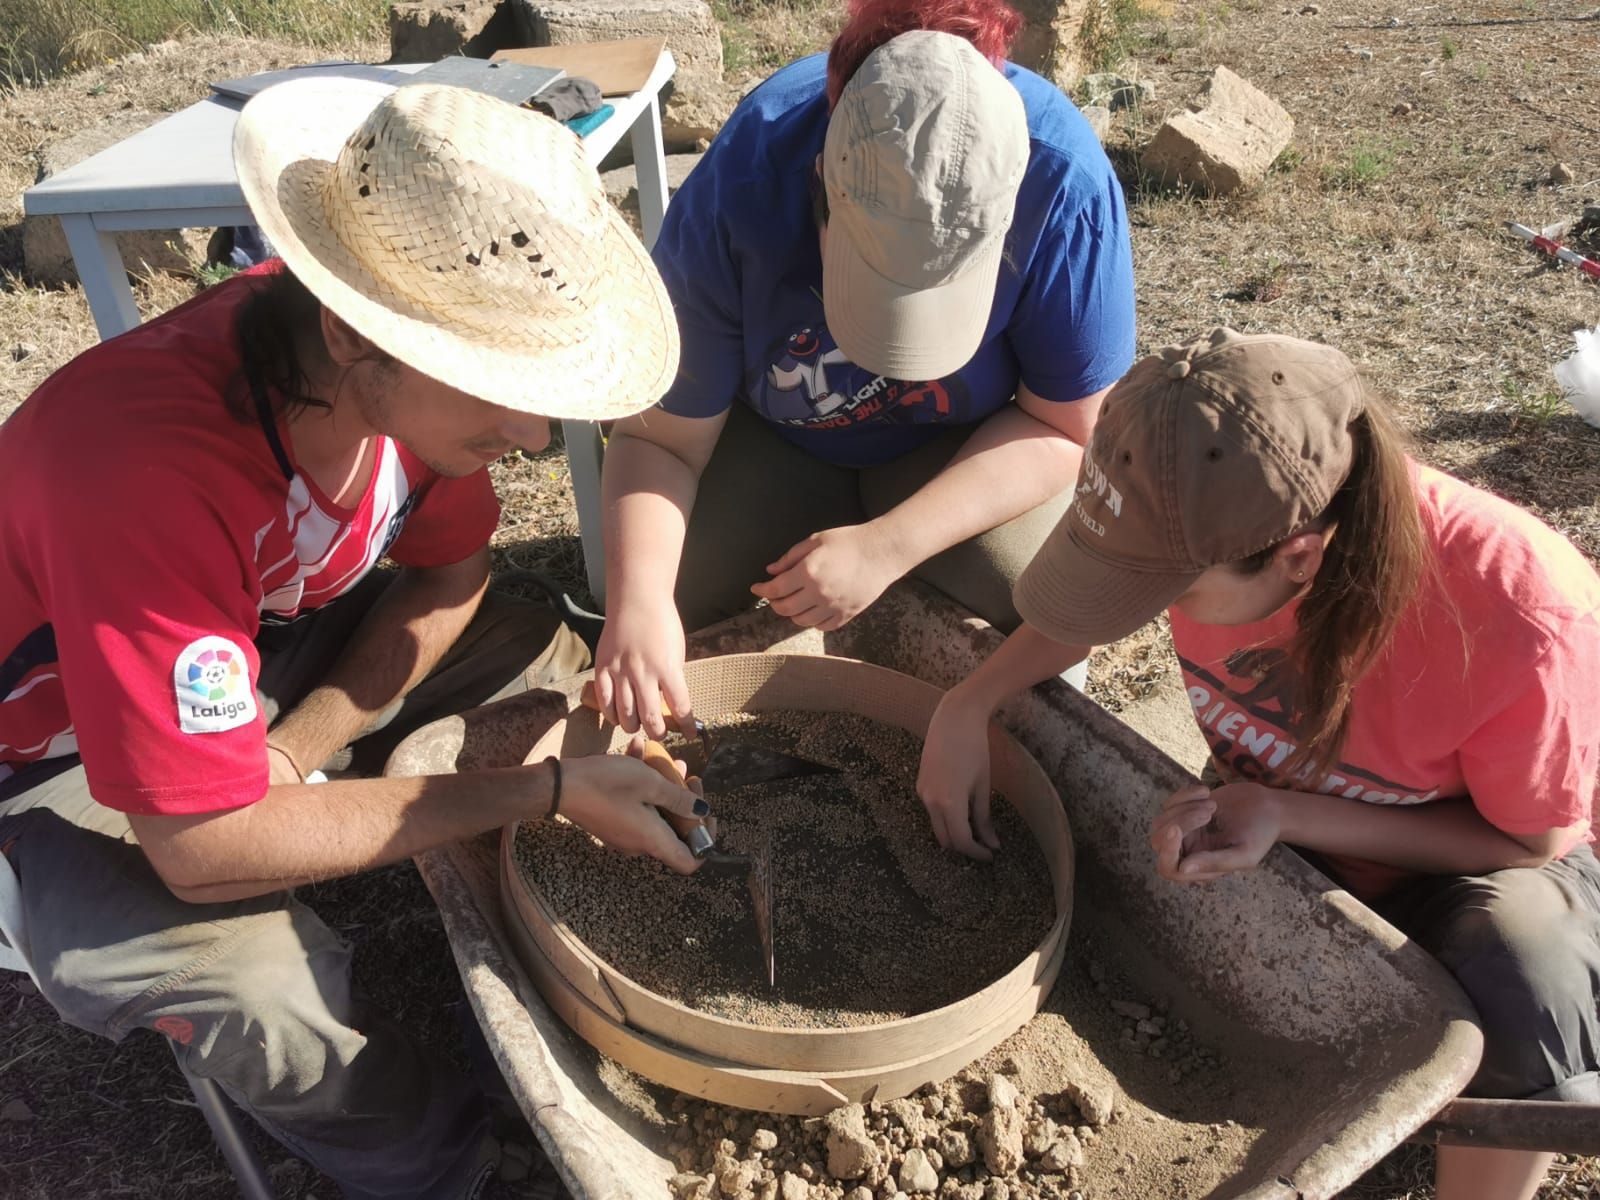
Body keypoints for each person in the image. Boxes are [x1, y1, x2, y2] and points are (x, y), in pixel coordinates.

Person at [0, 78, 706, 1199]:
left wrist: (302, 741)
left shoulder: (381, 385)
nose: (531, 435)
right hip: (50, 760)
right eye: (499, 390)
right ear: (347, 328)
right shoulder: (140, 471)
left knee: (542, 654)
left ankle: (464, 852)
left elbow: (453, 572)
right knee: (268, 991)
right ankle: (452, 1166)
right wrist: (547, 794)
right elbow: (199, 852)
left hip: (240, 653)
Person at [917, 328, 1600, 1200]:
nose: (1146, 611)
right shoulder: (1203, 506)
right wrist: (969, 700)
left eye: (1166, 594)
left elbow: (1529, 838)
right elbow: (1096, 596)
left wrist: (1288, 815)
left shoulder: (1522, 619)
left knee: (1526, 966)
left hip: (1477, 861)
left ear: (1299, 559)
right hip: (1283, 807)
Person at [592, 0, 1137, 739]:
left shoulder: (1064, 180)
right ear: (822, 179)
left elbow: (1068, 429)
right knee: (673, 584)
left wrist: (892, 544)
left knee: (1040, 591)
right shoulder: (749, 174)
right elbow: (659, 438)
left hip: (960, 447)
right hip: (775, 438)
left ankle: (1012, 741)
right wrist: (638, 604)